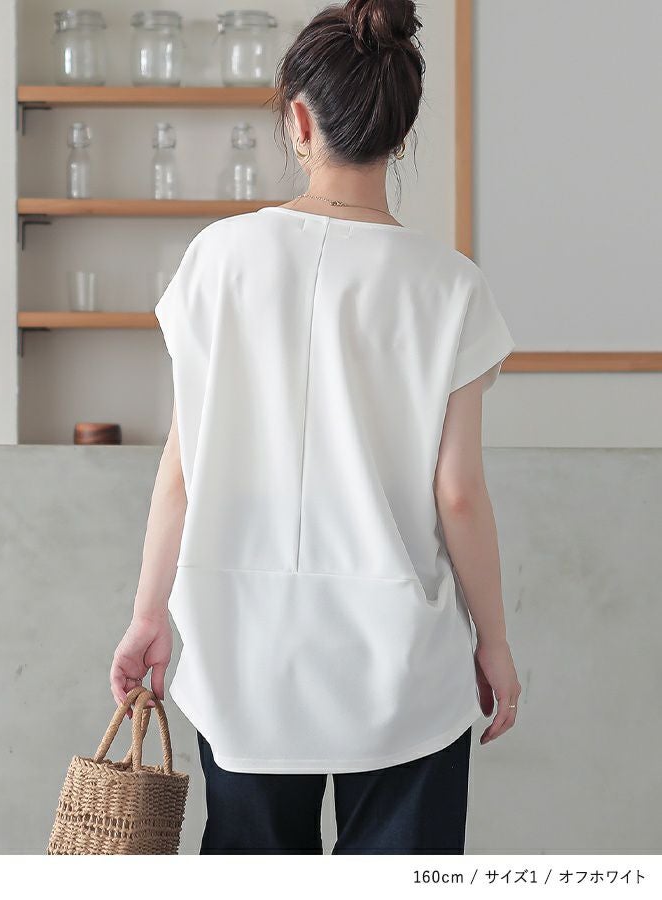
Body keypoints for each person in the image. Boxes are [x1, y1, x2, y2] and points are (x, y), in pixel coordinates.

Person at [110, 0, 522, 854]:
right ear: (400, 133)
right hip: (402, 662)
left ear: (298, 119)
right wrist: (494, 641)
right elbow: (457, 493)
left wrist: (148, 614)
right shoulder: (450, 286)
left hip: (243, 653)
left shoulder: (217, 259)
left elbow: (184, 468)